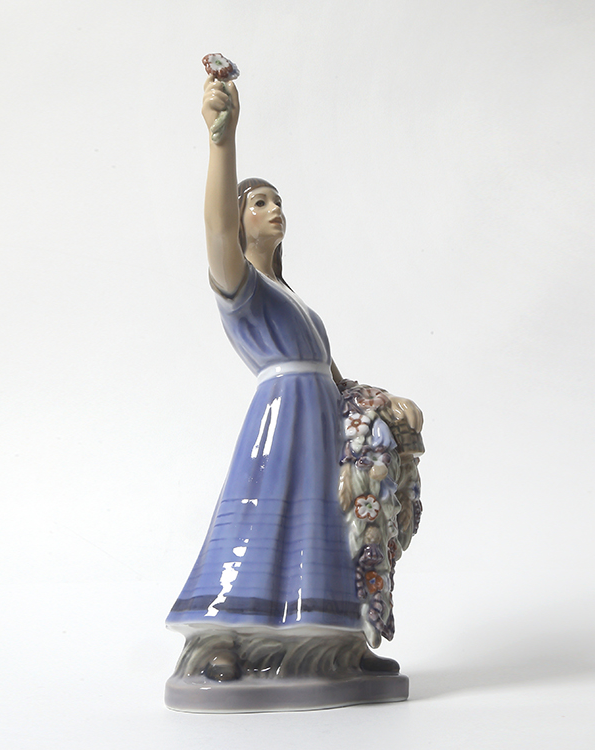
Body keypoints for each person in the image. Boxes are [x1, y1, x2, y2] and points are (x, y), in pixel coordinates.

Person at [165, 75, 422, 687]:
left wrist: (383, 400)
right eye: (259, 203)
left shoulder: (292, 298)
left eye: (278, 202)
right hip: (281, 420)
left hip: (320, 418)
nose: (274, 210)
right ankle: (223, 637)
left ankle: (336, 642)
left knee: (328, 527)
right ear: (239, 219)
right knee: (258, 519)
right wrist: (222, 140)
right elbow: (215, 230)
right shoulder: (240, 285)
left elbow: (334, 373)